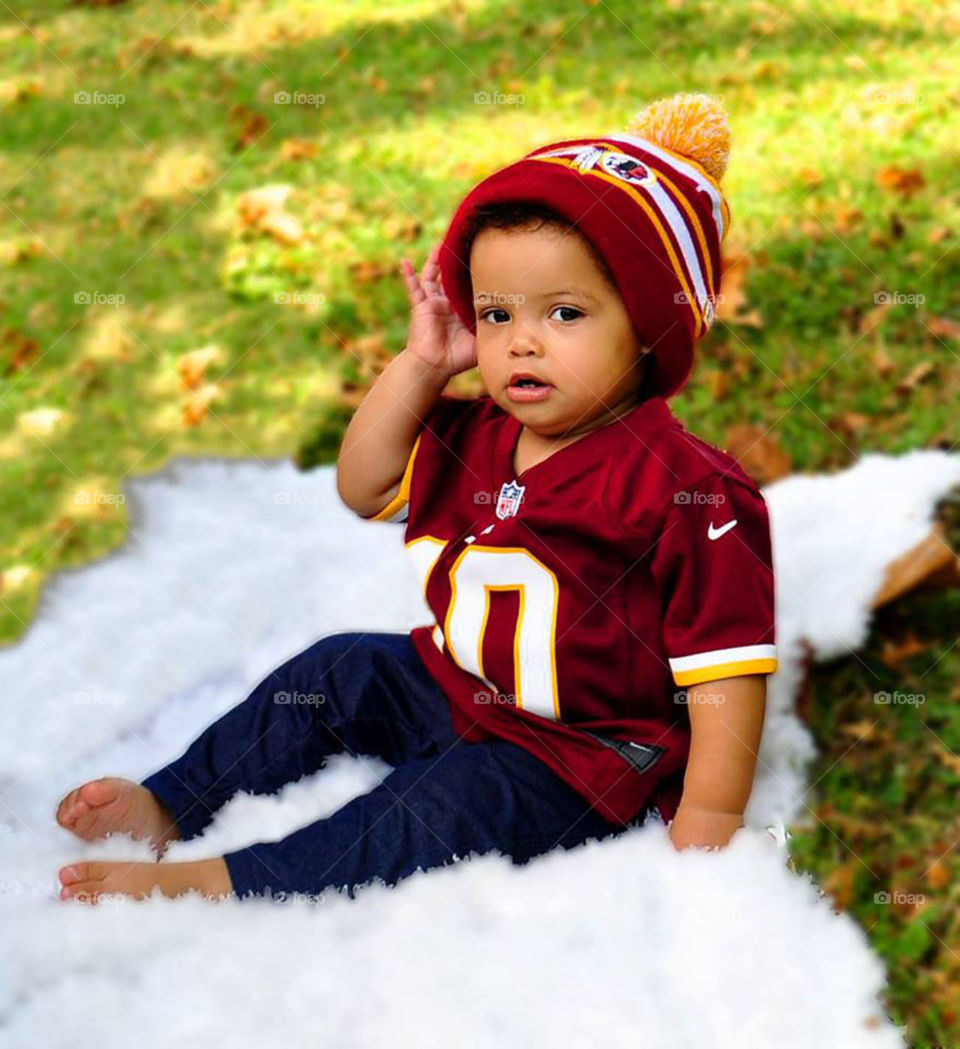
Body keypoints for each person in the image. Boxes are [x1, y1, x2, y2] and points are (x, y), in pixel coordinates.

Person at [56, 92, 777, 904]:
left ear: (649, 326)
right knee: (338, 669)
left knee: (432, 809)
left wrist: (710, 814)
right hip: (452, 685)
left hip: (577, 755)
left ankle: (224, 883)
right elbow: (360, 483)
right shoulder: (472, 432)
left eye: (565, 313)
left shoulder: (689, 488)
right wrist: (422, 364)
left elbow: (727, 675)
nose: (521, 339)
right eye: (497, 312)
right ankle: (171, 803)